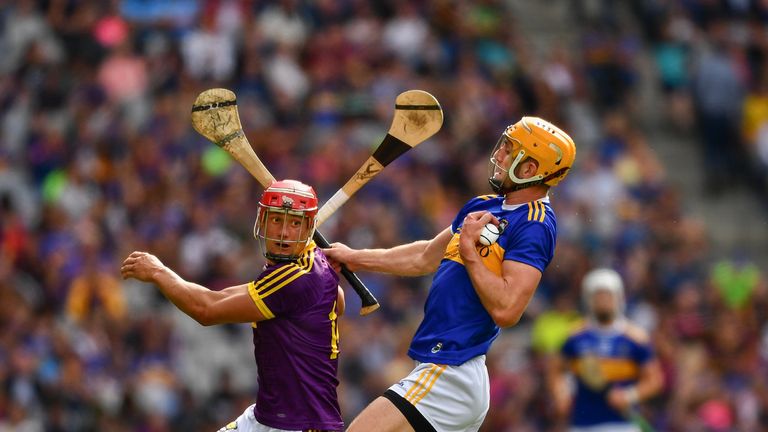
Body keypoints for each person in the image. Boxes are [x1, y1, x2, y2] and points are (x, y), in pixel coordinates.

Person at [325, 117, 576, 432]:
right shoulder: (484, 205)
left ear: (529, 169)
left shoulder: (534, 224)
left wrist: (470, 253)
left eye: (509, 151)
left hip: (452, 371)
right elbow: (424, 256)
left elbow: (508, 309)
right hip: (442, 369)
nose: (498, 155)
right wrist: (353, 257)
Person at [120, 179, 345, 432]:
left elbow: (206, 310)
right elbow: (338, 300)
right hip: (267, 418)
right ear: (262, 221)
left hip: (300, 425)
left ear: (308, 228)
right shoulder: (314, 264)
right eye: (276, 219)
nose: (283, 232)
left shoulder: (294, 277)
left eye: (294, 223)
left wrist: (158, 272)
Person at [548, 268, 664, 432]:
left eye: (608, 296)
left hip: (623, 424)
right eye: (598, 296)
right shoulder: (574, 336)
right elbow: (555, 370)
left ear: (619, 298)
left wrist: (629, 395)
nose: (603, 301)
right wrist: (561, 394)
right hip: (583, 424)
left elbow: (654, 380)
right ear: (588, 299)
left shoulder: (636, 338)